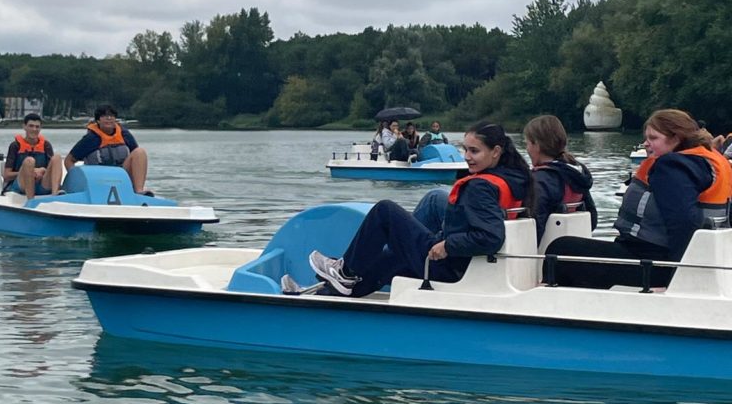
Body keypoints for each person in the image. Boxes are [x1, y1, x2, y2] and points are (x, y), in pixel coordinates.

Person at [308, 121, 532, 297]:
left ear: (496, 151)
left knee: (385, 211)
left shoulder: (480, 187)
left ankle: (345, 272)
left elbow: (491, 236)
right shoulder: (514, 178)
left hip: (448, 267)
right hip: (469, 265)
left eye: (474, 151)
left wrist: (447, 245)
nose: (467, 157)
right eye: (465, 149)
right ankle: (336, 288)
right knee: (399, 249)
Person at [544, 109, 732, 290]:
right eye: (647, 137)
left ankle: (555, 309)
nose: (646, 143)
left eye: (654, 138)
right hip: (695, 257)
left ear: (676, 138)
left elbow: (683, 222)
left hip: (655, 262)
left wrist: (678, 278)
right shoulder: (706, 162)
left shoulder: (671, 167)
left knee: (561, 249)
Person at [524, 114, 598, 243]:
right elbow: (592, 220)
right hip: (573, 248)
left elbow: (536, 225)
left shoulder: (540, 180)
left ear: (537, 145)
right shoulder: (575, 174)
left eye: (527, 143)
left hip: (548, 254)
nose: (527, 149)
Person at [65, 104, 150, 194]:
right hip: (97, 179)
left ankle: (138, 191)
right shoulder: (90, 139)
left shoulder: (124, 134)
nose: (109, 118)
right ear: (98, 120)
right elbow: (68, 160)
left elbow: (136, 158)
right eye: (104, 116)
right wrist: (79, 181)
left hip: (121, 176)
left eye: (112, 116)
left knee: (140, 152)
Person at [3, 113, 64, 199]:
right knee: (29, 161)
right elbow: (6, 175)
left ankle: (55, 196)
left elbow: (51, 170)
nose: (34, 129)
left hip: (41, 185)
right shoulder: (15, 146)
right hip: (22, 185)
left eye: (37, 127)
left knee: (57, 158)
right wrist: (30, 172)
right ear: (24, 127)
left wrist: (42, 170)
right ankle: (30, 200)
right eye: (31, 126)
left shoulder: (46, 145)